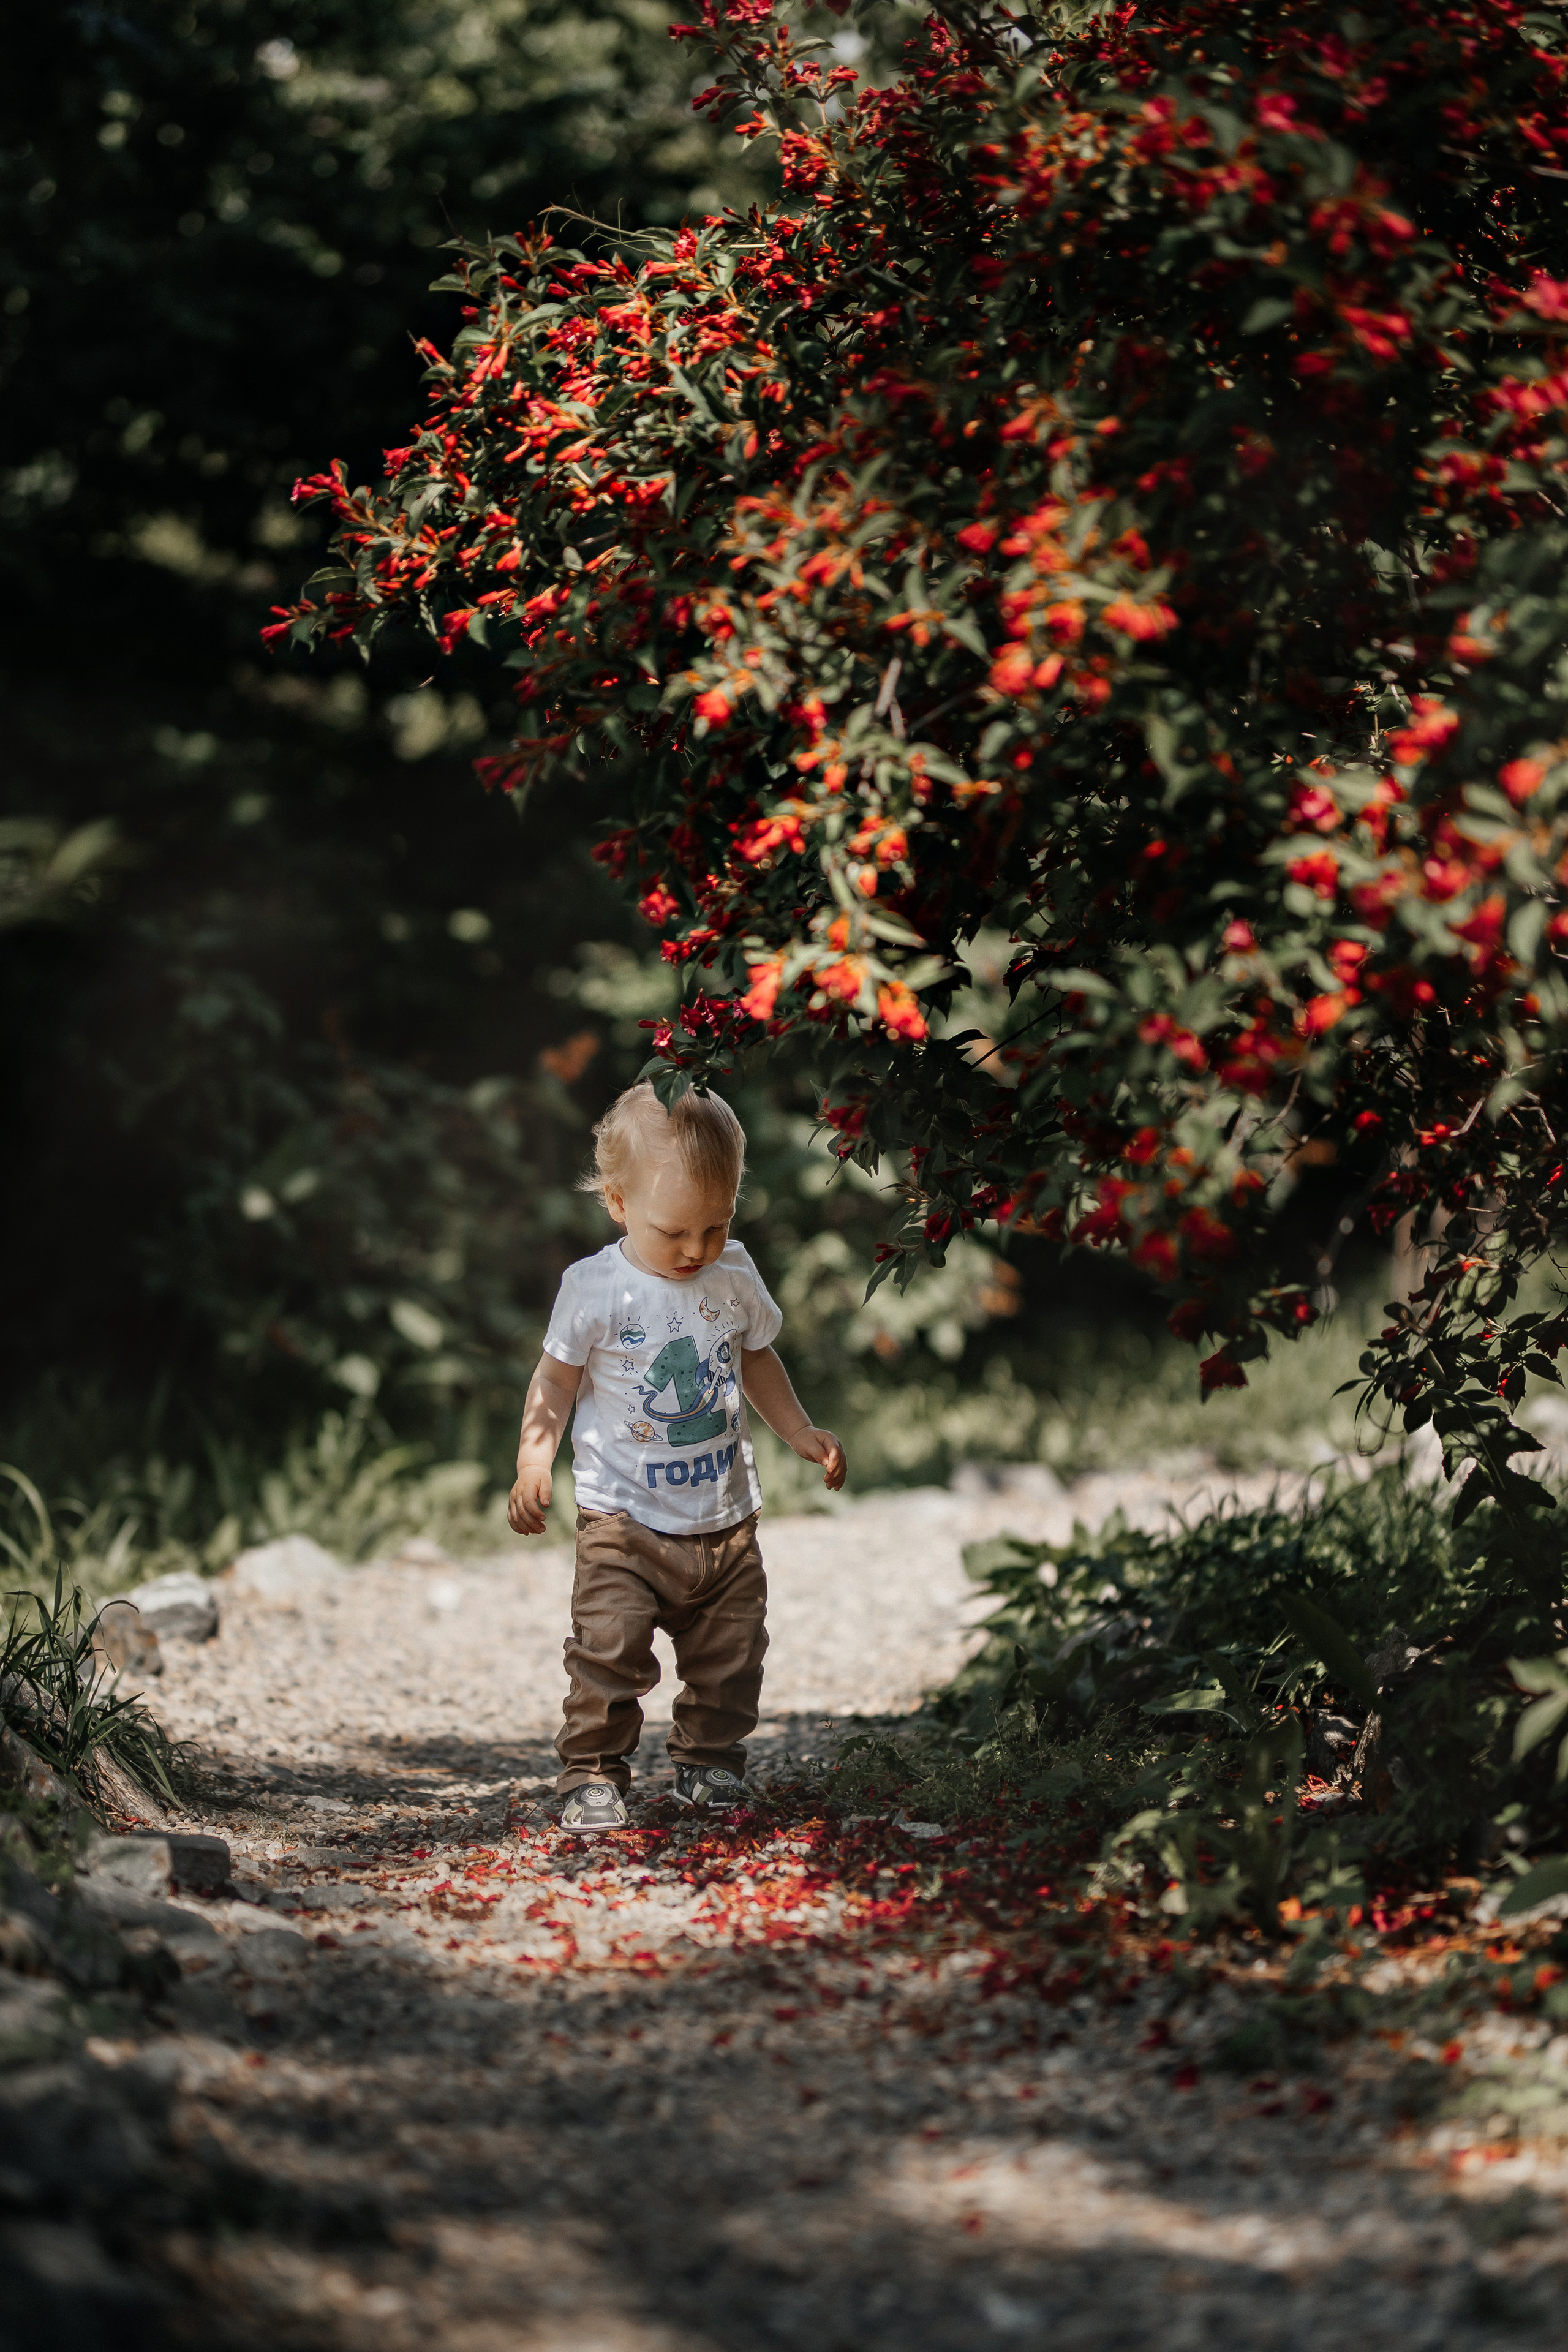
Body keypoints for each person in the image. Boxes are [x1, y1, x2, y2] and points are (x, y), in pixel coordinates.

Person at [508, 1081, 846, 1833]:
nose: (696, 1249)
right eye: (675, 1231)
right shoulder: (595, 1289)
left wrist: (798, 1431)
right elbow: (555, 1381)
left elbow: (756, 1360)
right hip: (621, 1523)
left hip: (724, 1520)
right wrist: (535, 1462)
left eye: (716, 1225)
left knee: (732, 1656)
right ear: (619, 1203)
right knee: (607, 1651)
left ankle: (709, 1766)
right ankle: (592, 1773)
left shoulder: (733, 1276)